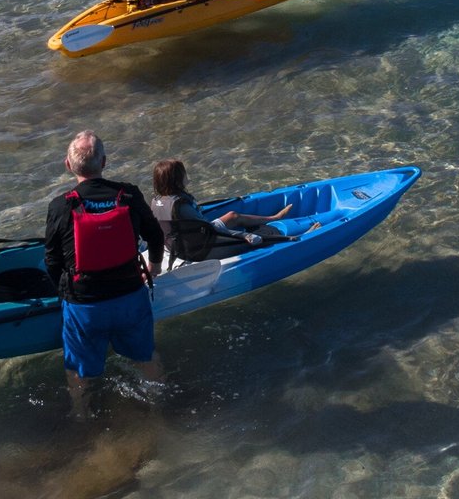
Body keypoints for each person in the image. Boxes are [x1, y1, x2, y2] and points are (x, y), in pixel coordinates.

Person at [44, 131, 165, 414]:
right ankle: (161, 407)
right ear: (105, 162)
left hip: (85, 305)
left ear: (68, 165)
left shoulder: (60, 205)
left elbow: (52, 261)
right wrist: (154, 267)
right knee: (146, 357)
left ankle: (82, 417)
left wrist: (63, 296)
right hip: (130, 297)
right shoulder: (129, 194)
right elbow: (155, 235)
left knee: (80, 370)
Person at [150, 159, 294, 263]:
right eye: (184, 174)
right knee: (264, 235)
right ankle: (292, 235)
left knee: (233, 216)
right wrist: (244, 235)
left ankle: (274, 217)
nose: (187, 177)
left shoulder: (156, 202)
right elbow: (211, 229)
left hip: (182, 245)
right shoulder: (182, 207)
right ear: (177, 180)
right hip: (203, 249)